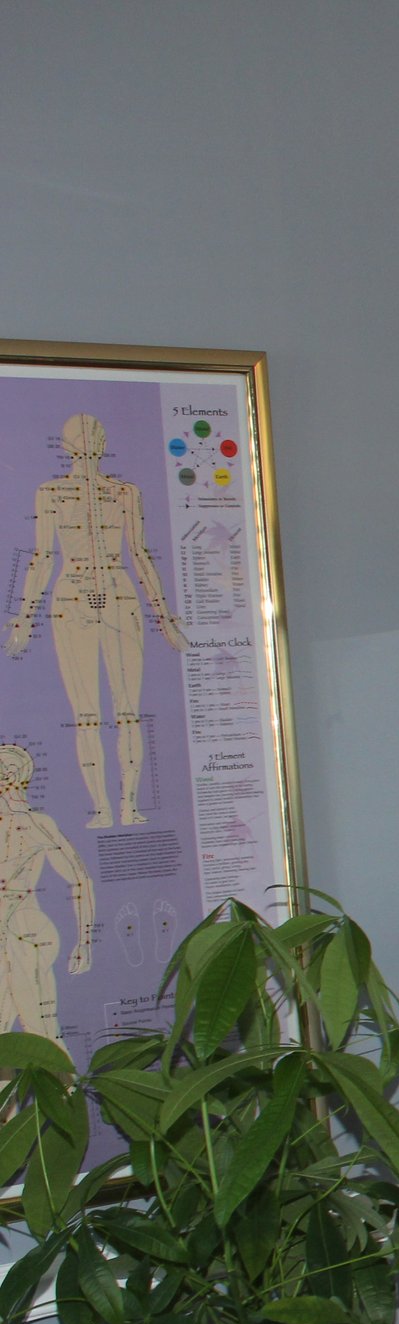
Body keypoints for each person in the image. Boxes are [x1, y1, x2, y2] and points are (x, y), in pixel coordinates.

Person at [7, 414, 189, 828]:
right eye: (83, 436)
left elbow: (139, 554)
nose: (92, 442)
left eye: (97, 434)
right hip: (72, 601)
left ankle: (129, 805)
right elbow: (43, 557)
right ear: (67, 445)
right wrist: (24, 618)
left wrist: (164, 617)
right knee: (86, 714)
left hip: (120, 597)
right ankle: (102, 808)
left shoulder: (125, 493)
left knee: (128, 712)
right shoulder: (51, 492)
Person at [0, 744, 95, 1041]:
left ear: (15, 775)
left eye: (6, 770)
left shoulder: (36, 823)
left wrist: (84, 941)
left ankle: (61, 1075)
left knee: (41, 1032)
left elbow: (80, 879)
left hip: (25, 931)